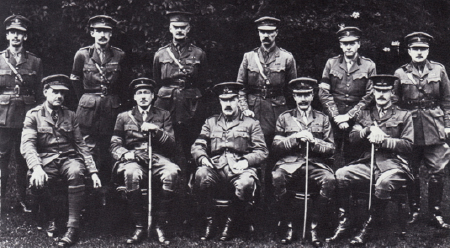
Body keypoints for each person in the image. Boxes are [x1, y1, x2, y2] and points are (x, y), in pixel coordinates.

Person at [327, 75, 414, 245]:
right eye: (378, 90)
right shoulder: (365, 114)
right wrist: (367, 130)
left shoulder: (404, 115)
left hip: (394, 165)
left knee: (383, 183)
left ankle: (369, 226)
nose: (381, 94)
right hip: (369, 163)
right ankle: (345, 222)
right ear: (373, 92)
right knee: (341, 174)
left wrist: (384, 140)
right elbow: (352, 137)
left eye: (385, 91)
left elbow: (408, 145)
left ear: (392, 92)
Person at [20, 74, 102, 247]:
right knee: (37, 180)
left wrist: (93, 171)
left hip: (68, 158)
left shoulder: (71, 115)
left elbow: (81, 145)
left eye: (62, 93)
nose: (59, 96)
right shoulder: (33, 115)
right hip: (46, 160)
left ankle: (73, 227)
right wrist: (36, 167)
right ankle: (52, 217)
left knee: (75, 171)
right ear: (45, 92)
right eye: (55, 92)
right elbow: (28, 144)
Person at [192, 82, 268, 241]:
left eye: (232, 99)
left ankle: (230, 222)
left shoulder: (251, 123)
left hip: (240, 167)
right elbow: (198, 145)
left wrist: (246, 161)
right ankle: (210, 221)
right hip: (216, 167)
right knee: (201, 175)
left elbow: (262, 151)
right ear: (220, 101)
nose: (227, 104)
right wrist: (203, 158)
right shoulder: (211, 122)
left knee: (245, 183)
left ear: (239, 100)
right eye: (224, 100)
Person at [110, 78, 180, 245]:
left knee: (172, 172)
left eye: (146, 93)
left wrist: (156, 130)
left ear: (153, 96)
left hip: (157, 157)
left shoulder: (163, 115)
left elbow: (172, 145)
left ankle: (159, 226)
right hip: (134, 157)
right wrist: (129, 155)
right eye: (139, 93)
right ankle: (139, 226)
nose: (143, 97)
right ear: (134, 97)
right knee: (131, 173)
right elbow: (114, 145)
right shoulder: (123, 117)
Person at [394, 32, 450, 229]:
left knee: (438, 171)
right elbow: (395, 102)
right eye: (415, 49)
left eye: (423, 49)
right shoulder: (400, 73)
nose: (419, 52)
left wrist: (448, 124)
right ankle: (414, 210)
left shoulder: (439, 70)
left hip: (434, 127)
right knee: (411, 171)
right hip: (410, 128)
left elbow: (447, 100)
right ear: (409, 50)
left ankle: (436, 213)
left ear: (428, 50)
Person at [271, 77, 335, 246]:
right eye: (299, 95)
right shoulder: (284, 118)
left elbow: (331, 148)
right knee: (277, 177)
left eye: (307, 94)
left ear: (313, 96)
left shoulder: (323, 119)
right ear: (293, 96)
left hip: (315, 163)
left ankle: (315, 226)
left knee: (329, 180)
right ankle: (288, 225)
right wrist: (294, 137)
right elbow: (276, 146)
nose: (303, 99)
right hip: (290, 163)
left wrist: (315, 142)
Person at [70, 15, 126, 185]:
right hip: (88, 107)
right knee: (88, 146)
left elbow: (123, 82)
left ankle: (109, 191)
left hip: (111, 106)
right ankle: (88, 188)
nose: (102, 34)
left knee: (110, 145)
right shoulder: (82, 54)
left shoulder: (119, 55)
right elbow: (75, 78)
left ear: (111, 34)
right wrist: (85, 99)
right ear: (92, 33)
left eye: (106, 31)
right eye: (99, 31)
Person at [153, 11, 208, 183]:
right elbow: (156, 80)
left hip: (190, 105)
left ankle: (191, 181)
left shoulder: (199, 54)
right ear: (170, 29)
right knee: (165, 140)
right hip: (166, 104)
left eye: (183, 27)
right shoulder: (161, 54)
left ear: (188, 29)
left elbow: (203, 81)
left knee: (189, 143)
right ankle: (167, 181)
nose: (179, 31)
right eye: (176, 27)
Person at [0, 15, 43, 214]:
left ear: (25, 37)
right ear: (7, 35)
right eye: (12, 33)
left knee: (23, 158)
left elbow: (39, 91)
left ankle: (21, 199)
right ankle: (0, 200)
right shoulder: (0, 59)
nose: (15, 36)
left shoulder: (34, 61)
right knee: (2, 158)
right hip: (3, 117)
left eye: (20, 33)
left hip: (26, 116)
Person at [318, 26, 376, 168]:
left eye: (352, 43)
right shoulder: (331, 63)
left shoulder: (369, 65)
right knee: (330, 154)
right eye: (345, 44)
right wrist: (337, 117)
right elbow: (324, 93)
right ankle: (332, 186)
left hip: (358, 118)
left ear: (359, 44)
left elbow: (370, 95)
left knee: (354, 156)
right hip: (334, 117)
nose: (348, 47)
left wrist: (349, 116)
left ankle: (349, 187)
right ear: (340, 45)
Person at [236, 16, 297, 145]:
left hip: (276, 110)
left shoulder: (287, 58)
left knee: (275, 146)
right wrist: (245, 108)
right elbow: (240, 87)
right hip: (253, 109)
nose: (266, 35)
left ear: (276, 33)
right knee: (252, 144)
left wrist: (290, 114)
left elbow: (293, 90)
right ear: (258, 33)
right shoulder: (249, 57)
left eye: (270, 32)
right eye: (262, 32)